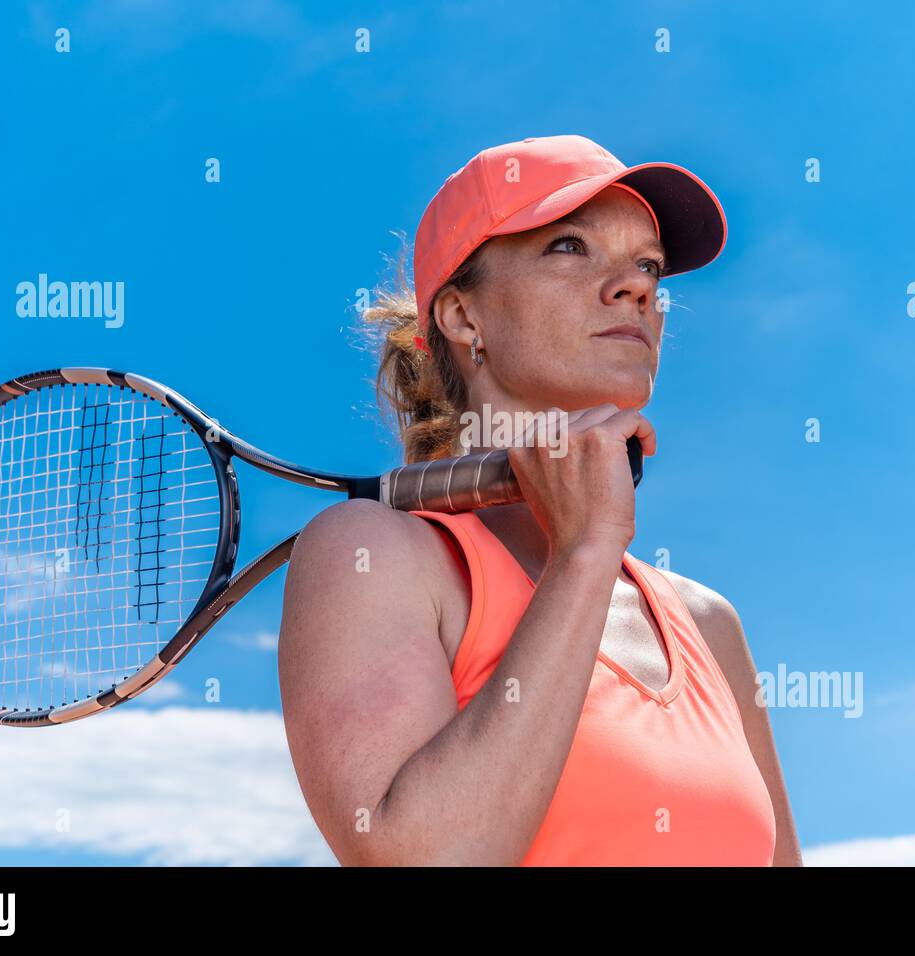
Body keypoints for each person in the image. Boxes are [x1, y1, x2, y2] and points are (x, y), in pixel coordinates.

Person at [278, 134, 802, 866]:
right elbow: (428, 860)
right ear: (464, 319)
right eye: (568, 246)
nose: (638, 288)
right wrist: (585, 554)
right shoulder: (371, 555)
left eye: (648, 265)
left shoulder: (707, 623)